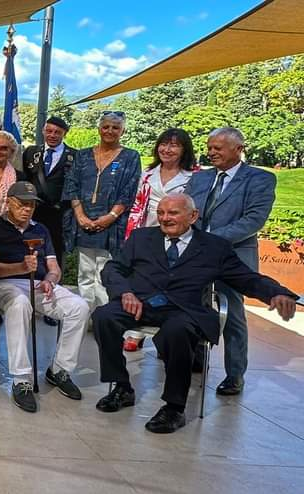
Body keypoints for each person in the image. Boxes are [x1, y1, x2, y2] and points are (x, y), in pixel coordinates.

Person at [94, 193, 296, 433]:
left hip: (184, 309)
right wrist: (125, 292)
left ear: (193, 216)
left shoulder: (214, 247)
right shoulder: (141, 238)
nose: (165, 219)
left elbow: (246, 278)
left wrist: (278, 293)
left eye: (173, 213)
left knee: (177, 331)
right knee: (103, 316)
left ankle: (174, 407)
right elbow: (113, 269)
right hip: (141, 302)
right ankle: (122, 386)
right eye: (161, 213)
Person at [0, 181, 87, 412]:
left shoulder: (40, 229)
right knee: (19, 304)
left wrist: (50, 280)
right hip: (4, 283)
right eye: (22, 204)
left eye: (31, 205)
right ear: (9, 202)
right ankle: (21, 379)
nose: (27, 209)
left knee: (79, 307)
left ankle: (59, 370)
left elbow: (54, 267)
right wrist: (20, 267)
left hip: (39, 284)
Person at [188, 127, 276, 396]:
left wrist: (210, 239)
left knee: (234, 315)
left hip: (235, 256)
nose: (211, 152)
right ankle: (194, 359)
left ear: (238, 149)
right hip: (198, 255)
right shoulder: (201, 178)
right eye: (209, 147)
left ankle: (234, 375)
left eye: (218, 148)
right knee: (193, 306)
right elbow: (190, 211)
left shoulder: (260, 179)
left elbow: (253, 220)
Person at [63, 111, 141, 313]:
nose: (110, 131)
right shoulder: (82, 155)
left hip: (111, 225)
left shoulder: (131, 157)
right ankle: (85, 314)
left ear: (122, 131)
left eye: (115, 127)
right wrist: (80, 216)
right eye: (106, 126)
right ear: (99, 129)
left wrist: (110, 217)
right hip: (83, 223)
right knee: (85, 273)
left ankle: (103, 315)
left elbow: (129, 190)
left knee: (105, 273)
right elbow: (71, 184)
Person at [21, 116, 76, 256]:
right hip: (34, 213)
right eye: (49, 131)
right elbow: (25, 180)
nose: (52, 135)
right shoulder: (31, 152)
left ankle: (54, 278)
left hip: (59, 215)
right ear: (43, 131)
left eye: (57, 132)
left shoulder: (75, 156)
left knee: (55, 253)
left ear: (65, 133)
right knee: (31, 253)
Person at [127, 128, 196, 238]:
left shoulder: (195, 175)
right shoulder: (147, 173)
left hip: (179, 229)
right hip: (147, 227)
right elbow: (136, 204)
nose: (167, 150)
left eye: (173, 145)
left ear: (184, 150)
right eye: (163, 144)